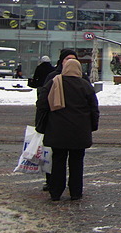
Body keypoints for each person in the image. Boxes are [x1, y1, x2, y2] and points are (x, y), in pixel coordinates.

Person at [35, 59, 99, 201]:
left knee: (58, 161)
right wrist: (92, 126)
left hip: (57, 130)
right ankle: (76, 192)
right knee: (77, 162)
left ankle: (56, 191)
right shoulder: (85, 86)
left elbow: (41, 104)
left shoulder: (54, 83)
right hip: (80, 131)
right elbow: (94, 109)